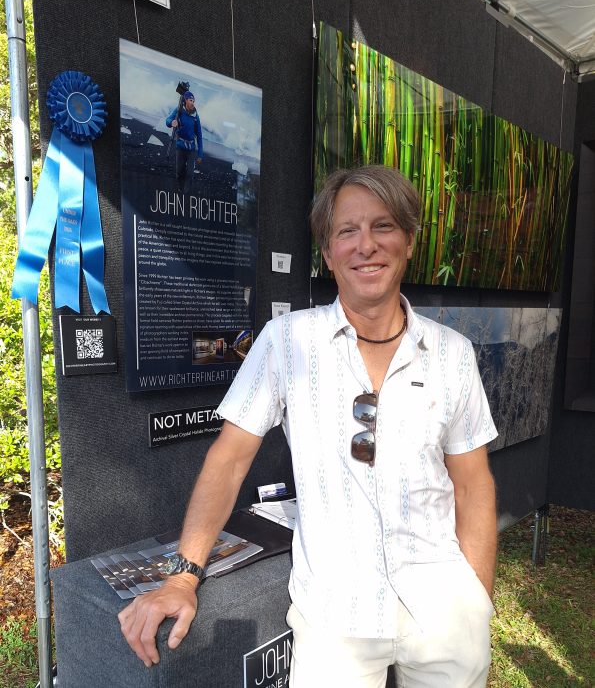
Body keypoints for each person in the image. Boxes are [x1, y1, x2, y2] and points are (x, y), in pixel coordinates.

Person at [119, 165, 498, 688]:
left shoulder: (453, 353)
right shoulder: (286, 341)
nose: (366, 245)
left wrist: (477, 599)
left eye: (383, 226)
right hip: (335, 619)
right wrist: (183, 577)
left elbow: (473, 484)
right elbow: (229, 460)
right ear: (328, 252)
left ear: (409, 241)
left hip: (444, 613)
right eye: (348, 231)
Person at [166, 91, 203, 194]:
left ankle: (186, 193)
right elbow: (168, 120)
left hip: (191, 148)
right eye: (190, 100)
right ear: (186, 100)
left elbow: (199, 135)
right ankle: (180, 189)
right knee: (179, 171)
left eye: (193, 101)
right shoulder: (179, 111)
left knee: (190, 173)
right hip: (180, 146)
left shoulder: (195, 116)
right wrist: (171, 122)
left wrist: (200, 154)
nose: (192, 103)